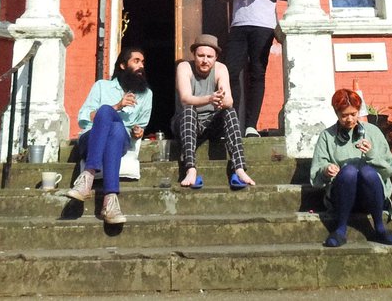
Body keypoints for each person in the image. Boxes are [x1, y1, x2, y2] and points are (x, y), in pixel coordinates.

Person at [65, 46, 152, 225]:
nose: (141, 65)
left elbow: (141, 126)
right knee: (106, 111)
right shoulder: (101, 86)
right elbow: (83, 118)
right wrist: (117, 107)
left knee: (118, 130)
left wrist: (138, 132)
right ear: (122, 65)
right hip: (91, 137)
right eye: (136, 61)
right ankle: (110, 201)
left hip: (120, 140)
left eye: (143, 62)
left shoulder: (146, 94)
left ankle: (87, 177)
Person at [310, 87, 392, 247]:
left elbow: (390, 169)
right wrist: (326, 170)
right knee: (349, 171)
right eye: (344, 115)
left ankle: (379, 227)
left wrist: (372, 154)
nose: (350, 119)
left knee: (367, 172)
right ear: (336, 113)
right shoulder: (327, 136)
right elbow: (315, 178)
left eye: (354, 114)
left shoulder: (373, 132)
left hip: (372, 196)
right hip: (342, 196)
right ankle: (340, 229)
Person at [219, 0, 285, 137]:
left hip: (264, 24)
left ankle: (251, 126)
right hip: (238, 24)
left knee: (257, 72)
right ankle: (234, 123)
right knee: (230, 72)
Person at [173, 33, 255, 190]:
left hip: (211, 123)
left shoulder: (220, 69)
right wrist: (210, 98)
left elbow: (229, 100)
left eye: (209, 56)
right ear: (194, 55)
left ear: (216, 56)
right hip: (187, 124)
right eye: (201, 55)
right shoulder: (184, 67)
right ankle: (190, 168)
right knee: (189, 110)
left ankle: (239, 168)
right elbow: (185, 98)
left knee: (229, 112)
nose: (205, 60)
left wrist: (221, 100)